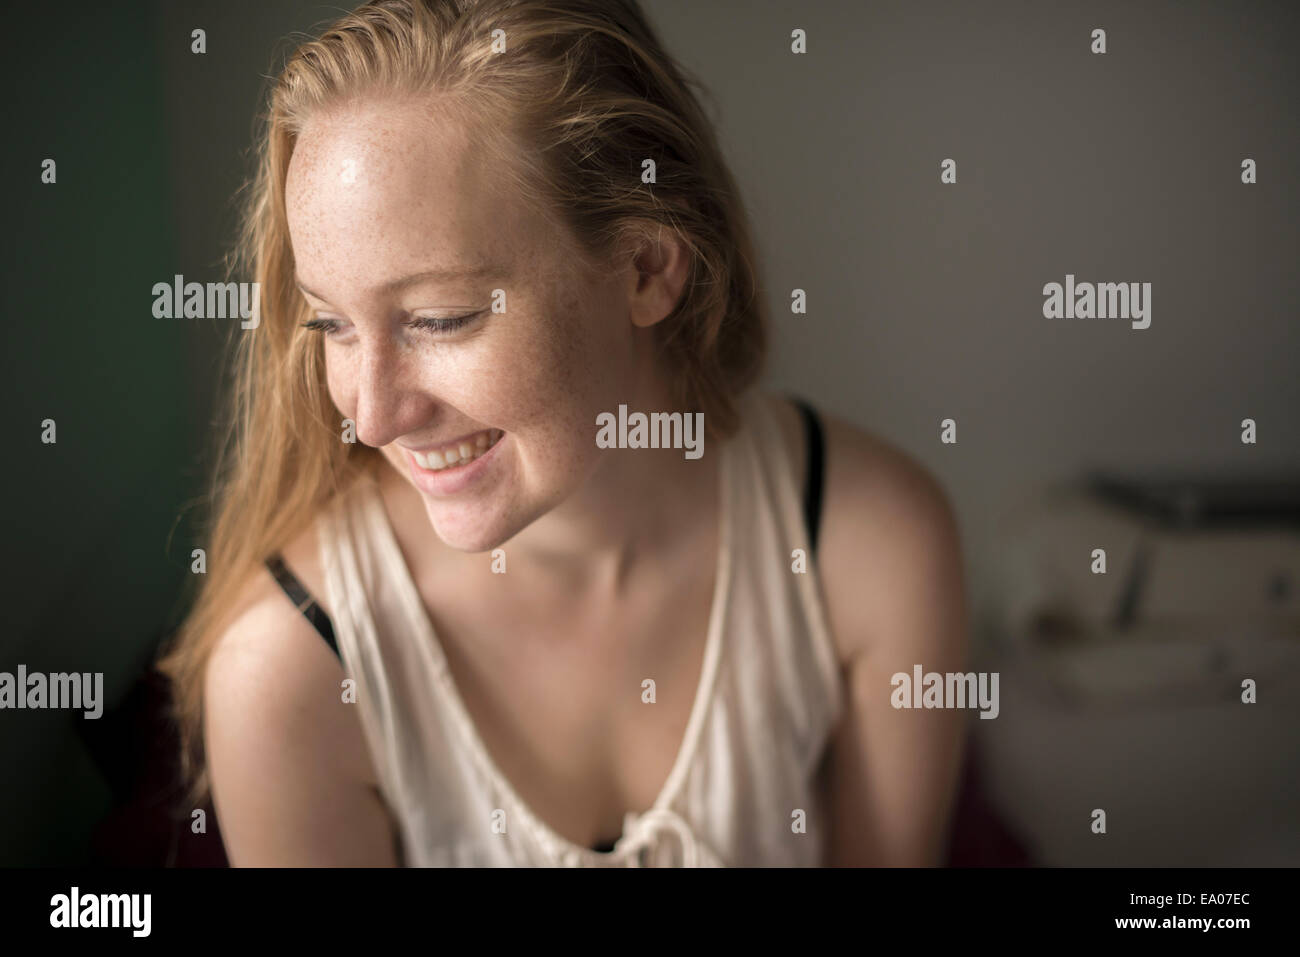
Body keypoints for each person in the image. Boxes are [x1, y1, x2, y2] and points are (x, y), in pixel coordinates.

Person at [157, 0, 969, 867]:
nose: (370, 416)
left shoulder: (872, 549)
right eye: (332, 326)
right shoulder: (288, 671)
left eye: (440, 318)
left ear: (649, 268)